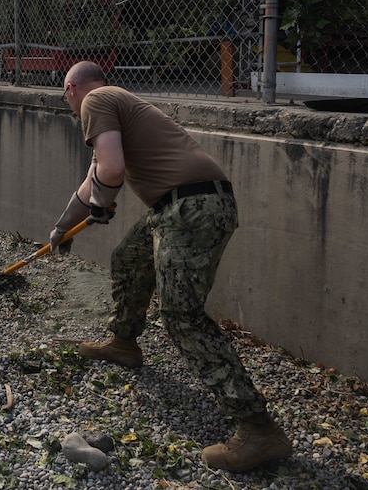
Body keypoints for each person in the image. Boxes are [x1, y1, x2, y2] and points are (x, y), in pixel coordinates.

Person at [50, 60, 291, 473]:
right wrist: (62, 228)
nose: (73, 105)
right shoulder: (119, 109)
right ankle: (123, 342)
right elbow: (94, 181)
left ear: (71, 88)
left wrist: (100, 206)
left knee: (181, 316)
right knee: (128, 259)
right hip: (177, 208)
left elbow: (110, 172)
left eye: (68, 95)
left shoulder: (95, 98)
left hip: (192, 207)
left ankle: (259, 430)